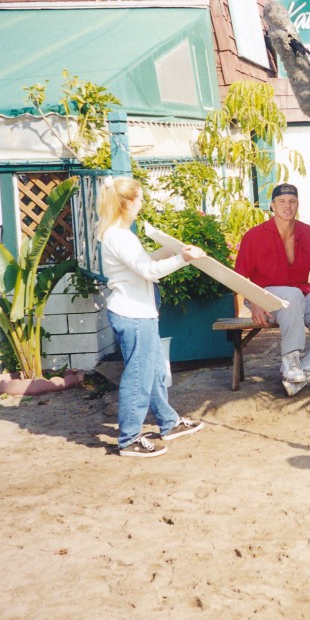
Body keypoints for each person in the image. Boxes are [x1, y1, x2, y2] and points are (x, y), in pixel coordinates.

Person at [96, 177, 206, 458]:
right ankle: (129, 438)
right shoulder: (119, 235)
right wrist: (183, 259)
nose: (142, 205)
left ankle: (168, 422)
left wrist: (169, 252)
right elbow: (149, 271)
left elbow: (139, 265)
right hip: (133, 314)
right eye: (140, 199)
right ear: (128, 202)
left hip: (139, 312)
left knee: (154, 371)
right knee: (138, 376)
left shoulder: (118, 233)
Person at [235, 183, 310, 397]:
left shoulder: (307, 233)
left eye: (292, 201)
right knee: (292, 295)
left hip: (299, 294)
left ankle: (306, 373)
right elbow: (239, 279)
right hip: (264, 295)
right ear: (272, 206)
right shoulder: (254, 236)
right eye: (282, 201)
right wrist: (254, 303)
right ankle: (291, 362)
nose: (287, 206)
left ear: (298, 205)